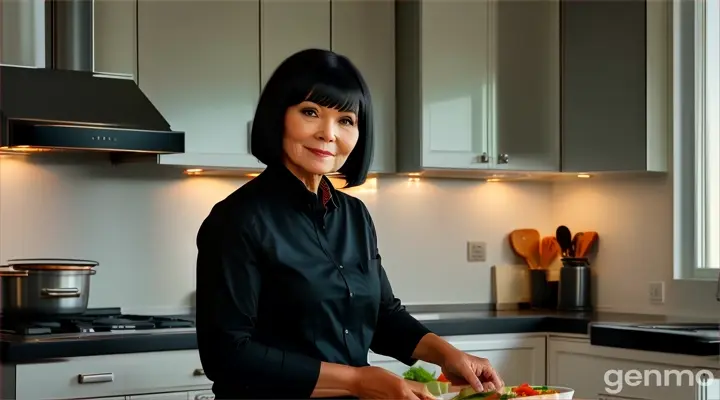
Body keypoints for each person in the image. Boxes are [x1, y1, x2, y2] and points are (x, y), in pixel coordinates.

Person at [195, 48, 504, 399]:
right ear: (277, 116)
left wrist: (448, 355)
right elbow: (227, 355)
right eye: (310, 112)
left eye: (346, 120)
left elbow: (382, 316)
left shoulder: (355, 216)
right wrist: (357, 380)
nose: (329, 134)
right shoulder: (237, 219)